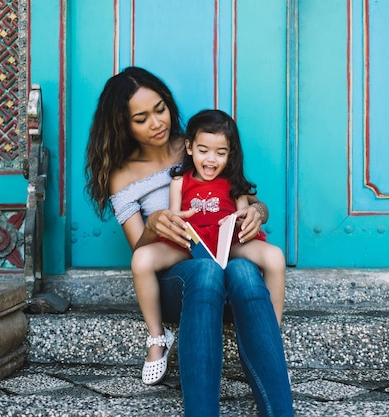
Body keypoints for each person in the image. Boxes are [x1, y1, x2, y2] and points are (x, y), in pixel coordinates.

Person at [85, 66, 293, 416]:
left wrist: (260, 211)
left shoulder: (197, 144)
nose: (156, 123)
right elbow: (140, 249)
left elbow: (238, 191)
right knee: (206, 273)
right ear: (123, 124)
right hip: (181, 281)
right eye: (141, 118)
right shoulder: (121, 174)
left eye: (161, 109)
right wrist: (154, 224)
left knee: (243, 270)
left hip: (227, 263)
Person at [132, 109, 286, 384]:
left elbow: (246, 218)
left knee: (275, 257)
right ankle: (157, 338)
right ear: (190, 147)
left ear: (231, 153)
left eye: (221, 153)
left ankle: (270, 338)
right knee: (141, 259)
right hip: (190, 244)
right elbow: (174, 216)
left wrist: (248, 219)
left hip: (229, 244)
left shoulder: (235, 183)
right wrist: (174, 222)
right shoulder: (180, 181)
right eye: (203, 150)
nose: (211, 160)